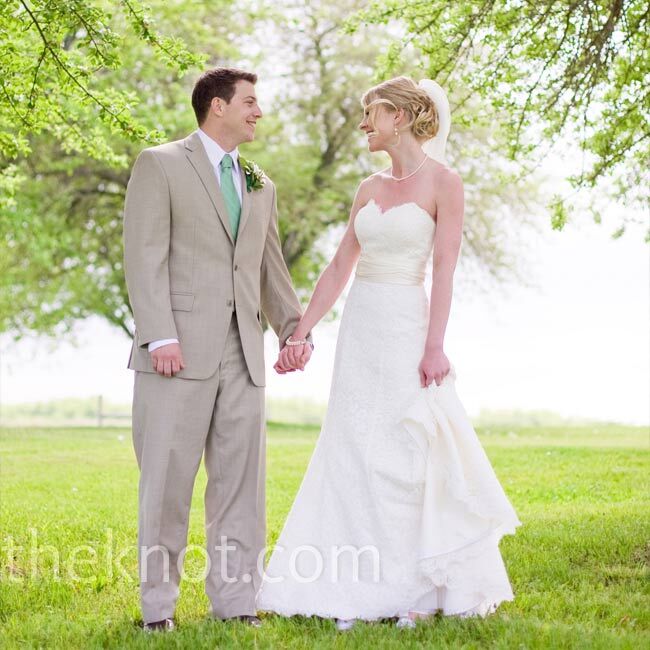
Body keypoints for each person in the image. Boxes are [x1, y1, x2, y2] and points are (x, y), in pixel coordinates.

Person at [256, 76, 522, 630]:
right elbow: (337, 269)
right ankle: (354, 588)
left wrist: (435, 347)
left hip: (407, 325)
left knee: (406, 453)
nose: (363, 125)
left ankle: (417, 590)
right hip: (361, 328)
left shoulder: (445, 184)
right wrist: (299, 333)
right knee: (354, 448)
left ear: (398, 116)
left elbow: (445, 271)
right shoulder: (367, 189)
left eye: (371, 114)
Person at [122, 67, 313, 632]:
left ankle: (237, 603)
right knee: (167, 483)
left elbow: (268, 268)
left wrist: (293, 329)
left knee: (241, 485)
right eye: (250, 102)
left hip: (244, 357)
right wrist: (160, 334)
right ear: (217, 107)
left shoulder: (259, 182)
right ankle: (157, 610)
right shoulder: (160, 164)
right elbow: (144, 254)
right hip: (175, 353)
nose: (259, 112)